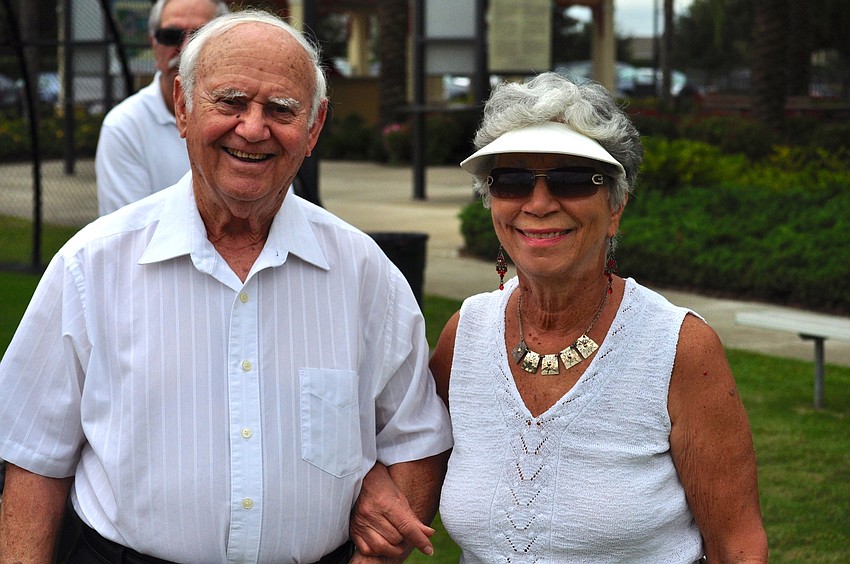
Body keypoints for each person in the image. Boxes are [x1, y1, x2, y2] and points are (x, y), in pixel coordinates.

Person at [0, 10, 452, 563]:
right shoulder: (90, 267)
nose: (253, 128)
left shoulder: (364, 274)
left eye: (282, 109)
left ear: (314, 128)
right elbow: (33, 462)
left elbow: (416, 441)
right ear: (183, 109)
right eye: (230, 102)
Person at [428, 72, 769, 561]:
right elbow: (409, 461)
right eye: (512, 181)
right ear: (491, 202)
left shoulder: (679, 347)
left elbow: (738, 546)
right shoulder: (466, 334)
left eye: (571, 179)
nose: (539, 204)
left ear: (616, 206)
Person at [95, 0, 229, 216]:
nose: (185, 48)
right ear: (154, 44)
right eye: (170, 36)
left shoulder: (250, 122)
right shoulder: (124, 126)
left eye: (200, 36)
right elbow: (129, 234)